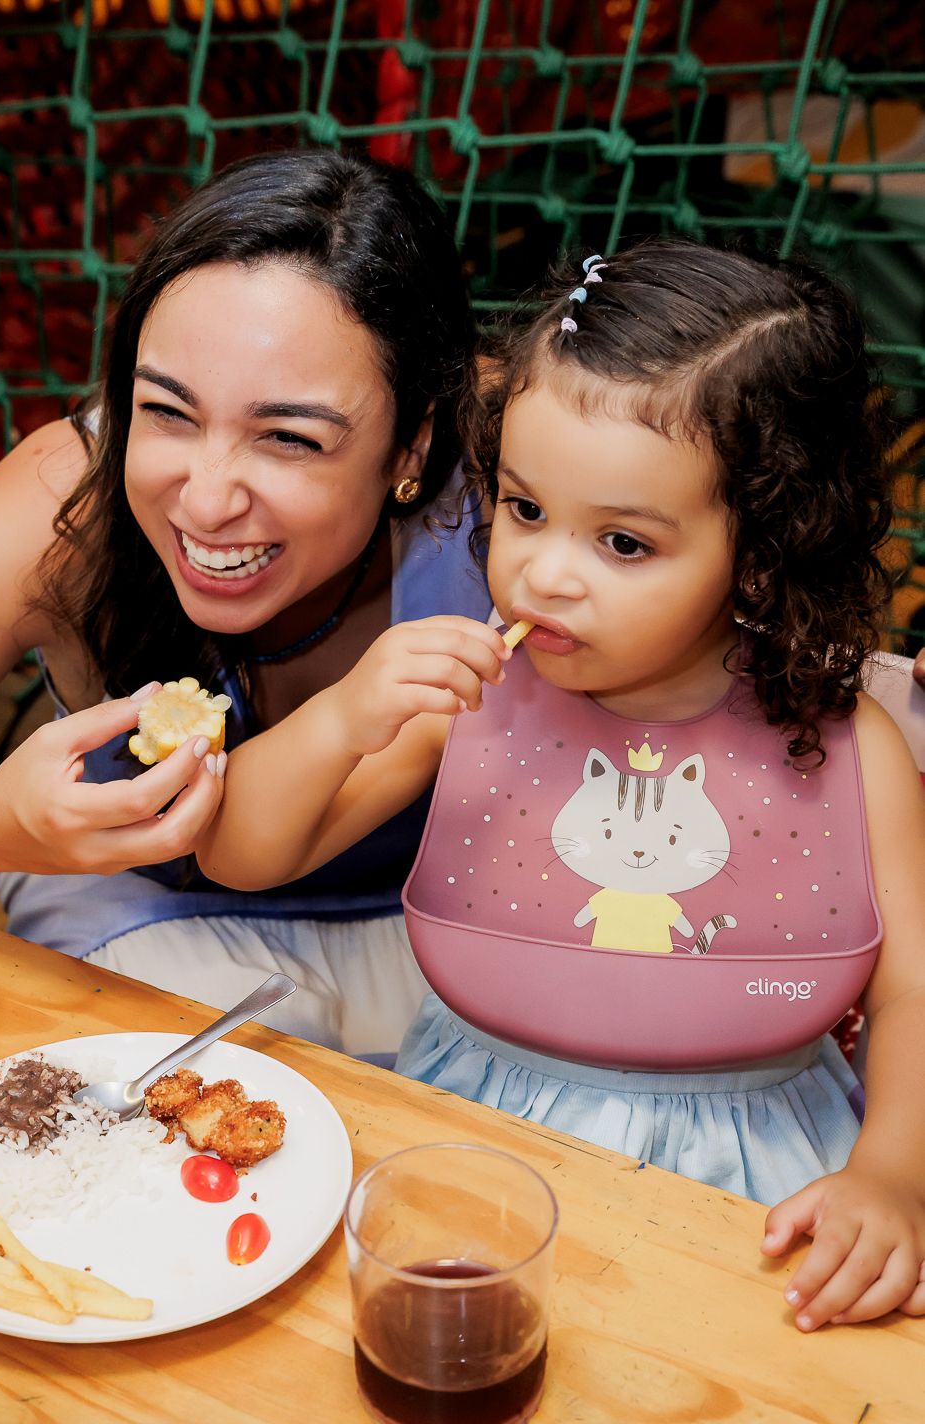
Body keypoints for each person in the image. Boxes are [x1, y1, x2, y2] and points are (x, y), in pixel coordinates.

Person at [196, 238, 925, 1331]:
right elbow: (240, 854)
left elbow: (913, 990)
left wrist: (894, 1177)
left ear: (763, 551)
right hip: (473, 1140)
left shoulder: (852, 745)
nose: (541, 569)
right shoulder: (474, 692)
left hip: (756, 1178)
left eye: (622, 541)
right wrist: (342, 718)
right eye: (526, 510)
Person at [0, 148, 491, 1058]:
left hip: (446, 922)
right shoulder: (63, 504)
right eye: (167, 412)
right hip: (149, 926)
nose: (205, 500)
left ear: (412, 444)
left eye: (288, 437)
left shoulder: (523, 481)